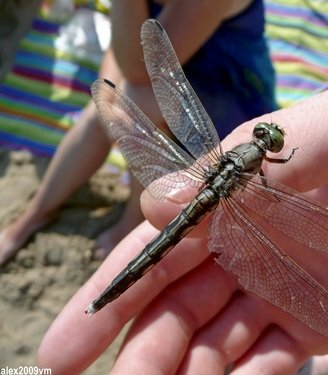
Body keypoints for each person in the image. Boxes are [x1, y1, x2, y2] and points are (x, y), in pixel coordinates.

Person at [37, 72, 328, 374]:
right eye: (268, 136)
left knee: (164, 241)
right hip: (216, 203)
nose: (270, 136)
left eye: (269, 137)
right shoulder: (262, 171)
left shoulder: (238, 162)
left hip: (203, 196)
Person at [0, 0, 276, 264]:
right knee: (104, 110)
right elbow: (123, 46)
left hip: (231, 94)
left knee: (136, 100)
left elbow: (138, 70)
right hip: (162, 77)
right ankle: (35, 214)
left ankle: (134, 218)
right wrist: (108, 102)